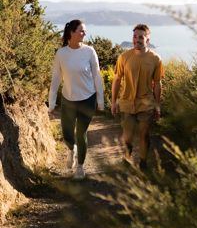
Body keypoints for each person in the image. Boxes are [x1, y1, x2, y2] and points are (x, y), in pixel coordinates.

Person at [48, 19, 104, 179]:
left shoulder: (89, 51)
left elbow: (97, 76)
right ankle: (71, 149)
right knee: (67, 134)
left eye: (84, 31)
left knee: (81, 133)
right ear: (71, 33)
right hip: (68, 99)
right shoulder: (61, 54)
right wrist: (51, 103)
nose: (84, 33)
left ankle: (80, 167)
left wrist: (100, 101)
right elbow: (56, 79)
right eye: (81, 30)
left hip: (88, 98)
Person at [111, 24, 164, 170]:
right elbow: (116, 80)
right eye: (135, 36)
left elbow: (158, 84)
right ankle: (127, 156)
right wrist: (113, 101)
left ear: (147, 39)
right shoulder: (124, 57)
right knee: (127, 136)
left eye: (141, 37)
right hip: (127, 103)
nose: (137, 40)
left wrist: (157, 106)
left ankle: (143, 162)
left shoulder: (155, 59)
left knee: (144, 135)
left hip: (146, 104)